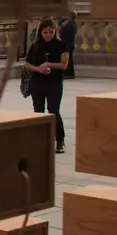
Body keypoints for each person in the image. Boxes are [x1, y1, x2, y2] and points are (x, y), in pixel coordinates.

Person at [25, 17, 69, 153]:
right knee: (38, 111)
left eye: (51, 32)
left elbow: (64, 65)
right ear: (41, 32)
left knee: (54, 110)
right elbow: (27, 64)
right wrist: (38, 69)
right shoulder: (35, 45)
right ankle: (40, 139)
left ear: (55, 31)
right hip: (38, 82)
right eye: (45, 32)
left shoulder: (61, 45)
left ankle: (60, 140)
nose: (48, 35)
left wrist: (48, 64)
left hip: (54, 82)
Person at [58, 14, 77, 79]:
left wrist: (62, 28)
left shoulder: (69, 25)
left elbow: (64, 34)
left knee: (67, 59)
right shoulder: (74, 24)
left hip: (67, 44)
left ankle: (67, 73)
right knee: (70, 59)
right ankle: (71, 73)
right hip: (71, 43)